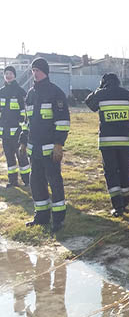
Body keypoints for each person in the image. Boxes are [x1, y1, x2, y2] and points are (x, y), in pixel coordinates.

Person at [20, 58, 70, 232]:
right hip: (34, 149)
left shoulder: (55, 93)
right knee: (36, 182)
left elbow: (63, 121)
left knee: (55, 182)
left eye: (38, 70)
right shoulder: (31, 94)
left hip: (50, 149)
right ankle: (41, 216)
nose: (35, 73)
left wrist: (58, 144)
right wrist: (23, 140)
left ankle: (58, 219)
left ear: (45, 72)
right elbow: (27, 121)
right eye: (33, 70)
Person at [85, 74, 129, 216]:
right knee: (124, 170)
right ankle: (125, 201)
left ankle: (117, 206)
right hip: (124, 141)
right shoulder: (127, 94)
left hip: (107, 141)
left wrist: (98, 89)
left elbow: (89, 102)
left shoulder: (100, 94)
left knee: (111, 172)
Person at [0, 66, 30, 187]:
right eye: (6, 73)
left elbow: (24, 113)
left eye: (10, 73)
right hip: (5, 132)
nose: (8, 76)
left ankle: (27, 181)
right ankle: (12, 181)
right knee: (9, 158)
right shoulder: (1, 91)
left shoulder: (20, 91)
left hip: (18, 132)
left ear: (15, 75)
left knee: (22, 157)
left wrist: (24, 130)